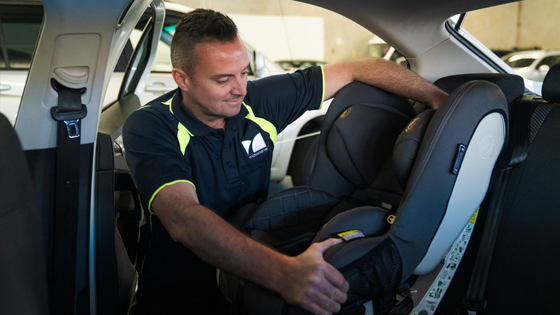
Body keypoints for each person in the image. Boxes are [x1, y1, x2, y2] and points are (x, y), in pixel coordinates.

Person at [123, 8, 448, 315]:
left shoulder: (257, 100)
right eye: (222, 80)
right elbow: (184, 218)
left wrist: (443, 103)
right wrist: (285, 274)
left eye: (244, 72)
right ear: (182, 78)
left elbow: (356, 68)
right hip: (178, 295)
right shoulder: (150, 126)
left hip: (248, 286)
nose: (240, 89)